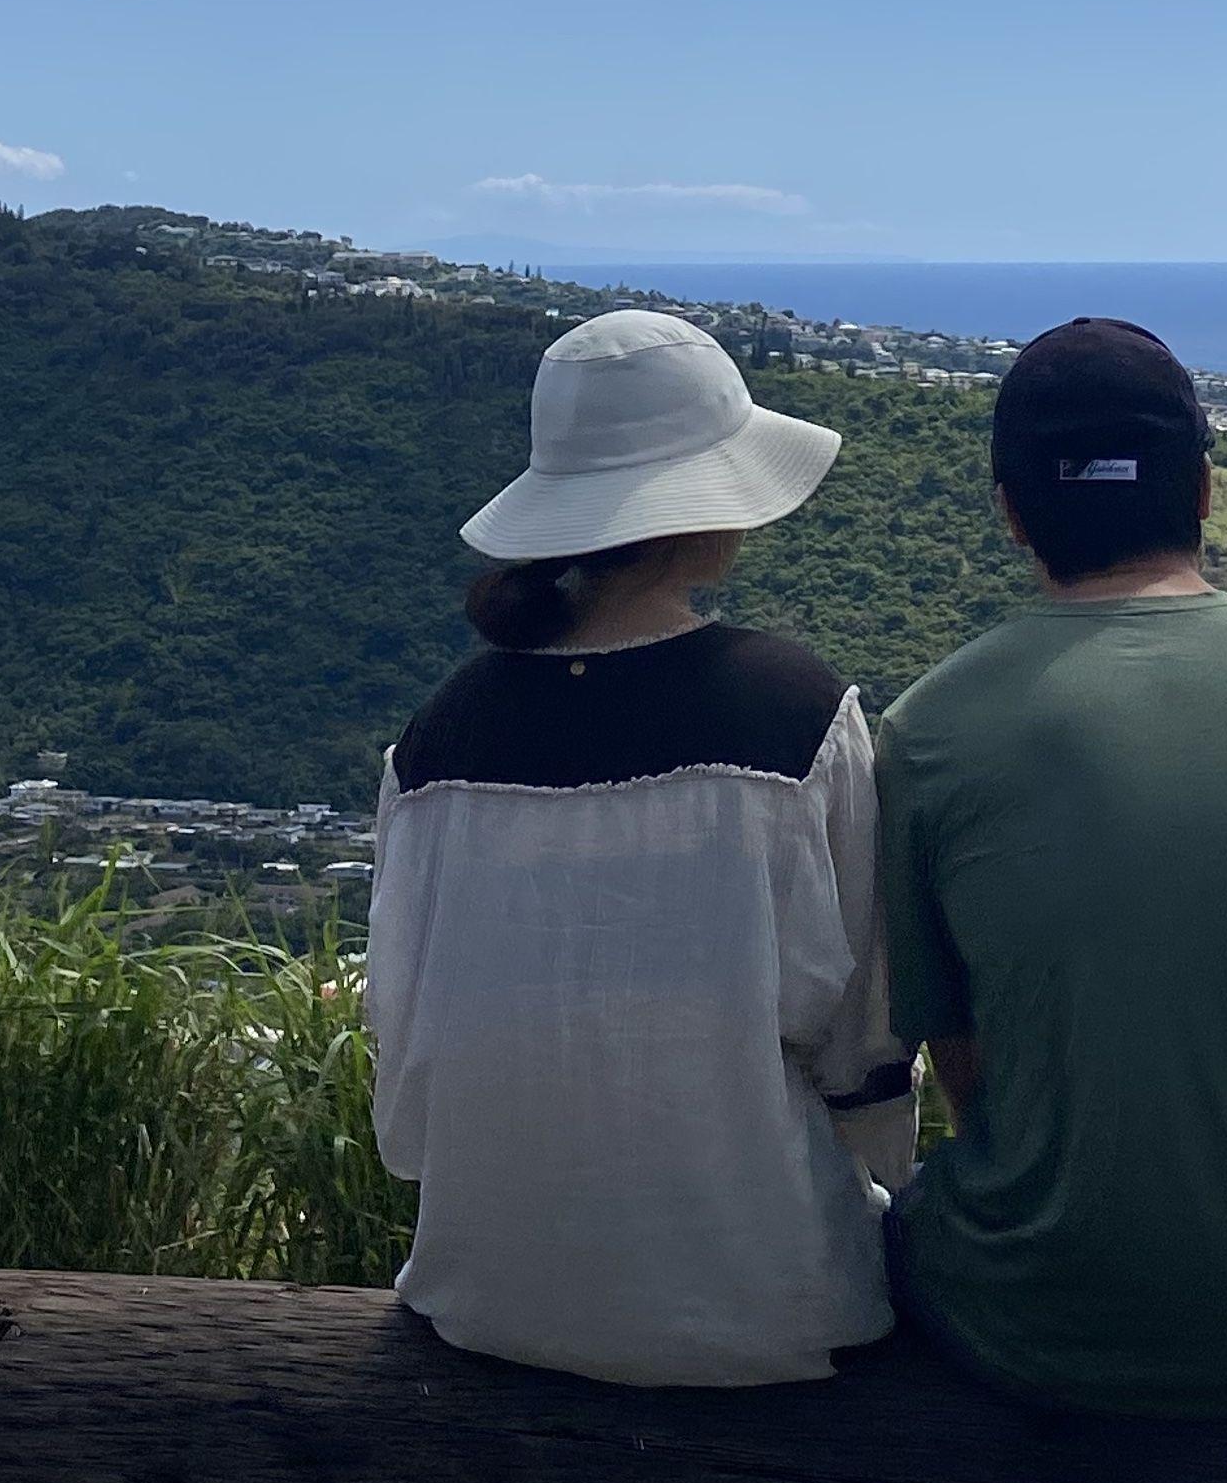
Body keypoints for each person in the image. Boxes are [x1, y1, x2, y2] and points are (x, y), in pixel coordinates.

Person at [876, 315, 1227, 1420]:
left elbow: (967, 1067)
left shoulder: (926, 730)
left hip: (1041, 1324)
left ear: (1009, 507)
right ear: (1207, 491)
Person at [366, 306, 913, 1387]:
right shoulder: (797, 715)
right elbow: (862, 1045)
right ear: (708, 509)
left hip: (489, 1296)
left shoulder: (436, 744)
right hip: (765, 1302)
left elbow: (411, 1080)